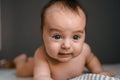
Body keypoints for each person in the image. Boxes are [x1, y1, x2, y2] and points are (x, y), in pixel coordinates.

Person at [0, 0, 115, 80]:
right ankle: (19, 60)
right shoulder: (41, 55)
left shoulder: (85, 50)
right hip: (32, 65)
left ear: (84, 33)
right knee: (21, 72)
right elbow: (41, 76)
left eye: (75, 37)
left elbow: (91, 60)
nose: (66, 45)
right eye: (57, 36)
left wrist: (98, 71)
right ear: (42, 33)